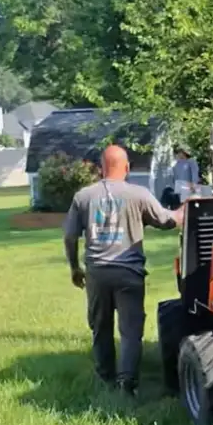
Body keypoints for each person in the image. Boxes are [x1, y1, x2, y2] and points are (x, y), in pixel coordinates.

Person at [64, 145, 183, 395]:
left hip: (96, 272)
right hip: (129, 273)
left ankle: (105, 376)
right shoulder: (138, 194)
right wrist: (186, 209)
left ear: (100, 169)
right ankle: (127, 383)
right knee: (130, 331)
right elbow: (167, 221)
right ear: (127, 168)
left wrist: (75, 267)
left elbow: (70, 236)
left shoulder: (83, 197)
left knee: (100, 326)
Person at [162, 144, 201, 210]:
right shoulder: (175, 165)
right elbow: (174, 179)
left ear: (183, 152)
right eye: (177, 152)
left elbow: (195, 174)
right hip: (179, 190)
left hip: (189, 189)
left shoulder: (191, 161)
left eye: (179, 152)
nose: (177, 154)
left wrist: (193, 185)